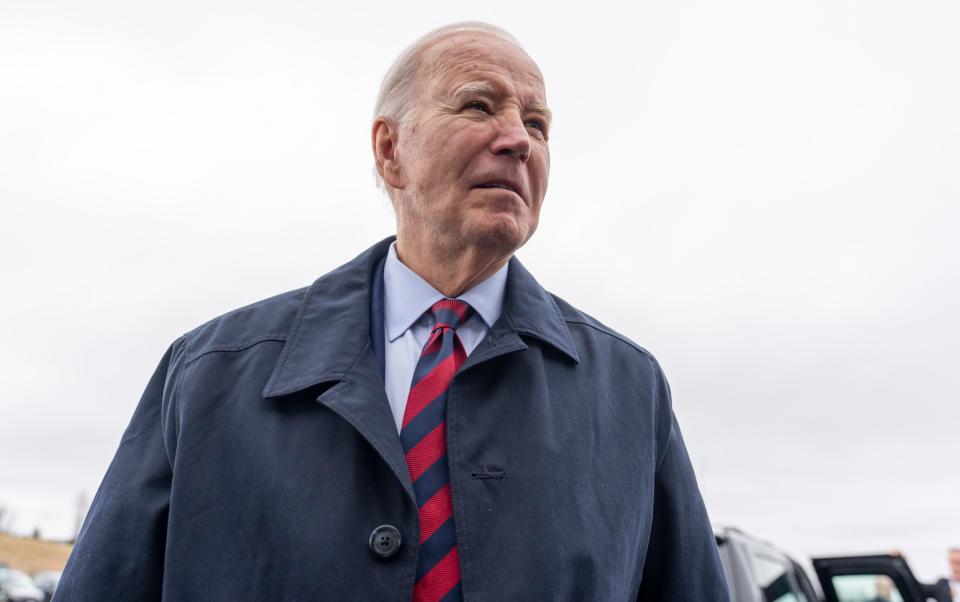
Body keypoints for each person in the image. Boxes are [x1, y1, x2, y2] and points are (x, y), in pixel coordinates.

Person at [54, 22, 729, 601]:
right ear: (389, 149)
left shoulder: (631, 392)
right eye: (477, 105)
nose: (518, 139)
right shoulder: (207, 374)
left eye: (537, 123)